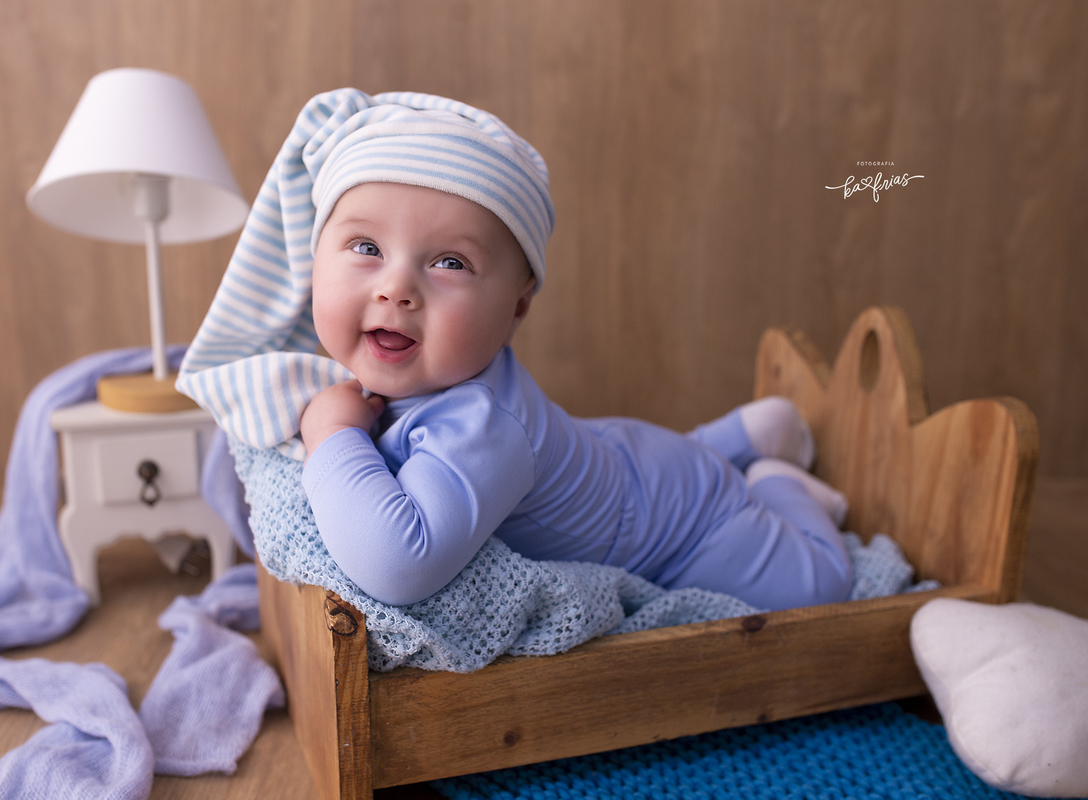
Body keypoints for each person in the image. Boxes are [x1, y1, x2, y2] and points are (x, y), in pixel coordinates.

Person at [177, 89, 853, 611]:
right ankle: (737, 435)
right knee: (604, 454)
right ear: (313, 261)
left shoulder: (480, 427)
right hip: (627, 455)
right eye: (365, 248)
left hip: (687, 524)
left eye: (448, 262)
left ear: (517, 307)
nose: (397, 287)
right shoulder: (421, 376)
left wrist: (330, 434)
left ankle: (775, 482)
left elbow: (398, 565)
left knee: (822, 586)